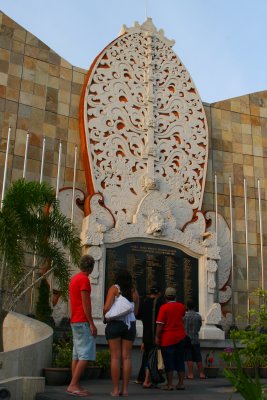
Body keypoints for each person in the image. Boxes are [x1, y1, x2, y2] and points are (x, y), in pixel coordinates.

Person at [103, 269, 139, 397]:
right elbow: (135, 312)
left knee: (115, 357)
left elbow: (107, 307)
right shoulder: (134, 291)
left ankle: (115, 389)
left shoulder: (114, 289)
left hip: (116, 324)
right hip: (130, 325)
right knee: (127, 357)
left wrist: (106, 315)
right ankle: (125, 390)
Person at [67, 254, 97, 397]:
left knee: (77, 355)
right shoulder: (84, 280)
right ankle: (73, 385)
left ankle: (75, 384)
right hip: (82, 321)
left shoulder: (74, 279)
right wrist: (92, 323)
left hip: (75, 320)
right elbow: (86, 304)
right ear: (91, 267)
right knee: (85, 355)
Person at [155, 287, 186, 391]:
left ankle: (170, 384)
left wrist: (157, 336)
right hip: (181, 337)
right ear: (175, 296)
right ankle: (181, 384)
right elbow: (182, 316)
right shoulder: (181, 306)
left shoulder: (163, 308)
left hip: (168, 338)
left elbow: (160, 325)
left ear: (165, 297)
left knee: (169, 362)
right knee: (180, 360)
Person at [136, 286, 164, 388]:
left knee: (146, 356)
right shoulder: (160, 304)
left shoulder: (144, 303)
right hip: (157, 334)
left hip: (146, 334)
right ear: (158, 294)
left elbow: (138, 315)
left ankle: (141, 377)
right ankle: (147, 380)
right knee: (152, 357)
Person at [183, 301, 206, 379]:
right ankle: (202, 374)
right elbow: (199, 327)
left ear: (187, 307)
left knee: (189, 357)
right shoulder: (198, 316)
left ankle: (190, 374)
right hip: (195, 339)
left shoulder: (184, 316)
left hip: (187, 339)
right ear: (194, 307)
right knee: (198, 357)